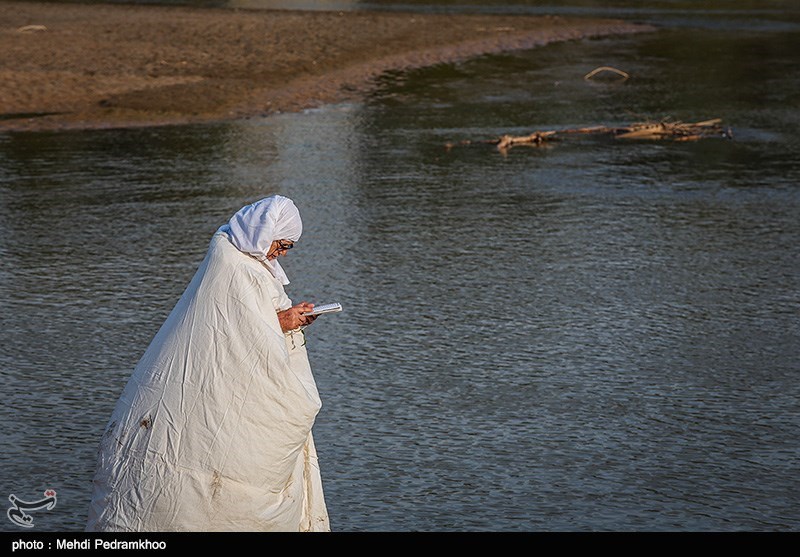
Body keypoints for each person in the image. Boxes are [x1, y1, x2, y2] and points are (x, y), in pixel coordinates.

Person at [86, 195, 330, 532]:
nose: (284, 253)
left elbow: (246, 323)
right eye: (283, 244)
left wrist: (287, 318)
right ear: (265, 231)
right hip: (205, 386)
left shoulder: (253, 263)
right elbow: (231, 331)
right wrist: (283, 321)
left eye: (289, 247)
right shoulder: (230, 262)